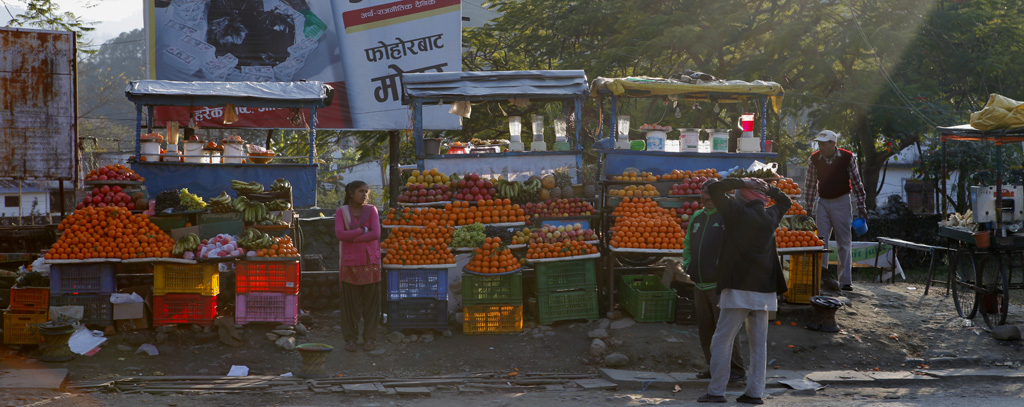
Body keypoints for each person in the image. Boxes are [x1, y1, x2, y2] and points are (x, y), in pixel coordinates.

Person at [698, 177, 790, 405]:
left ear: (742, 196)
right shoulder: (771, 216)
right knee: (758, 345)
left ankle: (717, 391)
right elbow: (785, 201)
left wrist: (744, 181)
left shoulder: (736, 213)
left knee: (721, 340)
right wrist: (769, 189)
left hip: (738, 288)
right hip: (764, 291)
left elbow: (715, 187)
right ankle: (755, 393)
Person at [682, 188, 746, 382]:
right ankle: (714, 367)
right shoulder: (697, 217)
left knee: (725, 330)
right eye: (705, 197)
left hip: (719, 286)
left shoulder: (727, 218)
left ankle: (736, 369)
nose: (708, 200)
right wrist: (687, 264)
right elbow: (687, 244)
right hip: (699, 284)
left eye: (711, 196)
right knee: (705, 329)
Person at [802, 130, 868, 292]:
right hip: (823, 201)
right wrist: (808, 210)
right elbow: (810, 186)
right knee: (820, 242)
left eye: (824, 144)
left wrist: (861, 206)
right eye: (820, 144)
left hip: (842, 201)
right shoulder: (814, 159)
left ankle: (845, 281)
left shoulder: (847, 158)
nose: (821, 146)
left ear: (833, 144)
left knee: (844, 242)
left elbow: (857, 183)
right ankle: (821, 278)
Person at [334, 181, 382, 352]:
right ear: (351, 192)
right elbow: (340, 234)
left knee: (371, 304)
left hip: (371, 263)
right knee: (350, 305)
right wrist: (362, 231)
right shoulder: (342, 212)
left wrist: (352, 237)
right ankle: (350, 339)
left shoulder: (372, 211)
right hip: (350, 264)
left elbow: (376, 234)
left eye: (366, 192)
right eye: (361, 191)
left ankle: (370, 338)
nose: (364, 195)